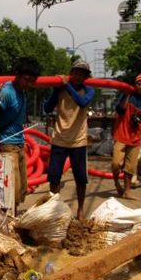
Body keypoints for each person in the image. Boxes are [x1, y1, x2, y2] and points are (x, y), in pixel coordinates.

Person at [0, 57, 41, 208]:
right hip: (7, 146)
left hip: (19, 144)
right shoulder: (7, 93)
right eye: (26, 79)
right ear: (17, 75)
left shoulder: (22, 93)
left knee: (20, 190)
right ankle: (9, 222)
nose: (28, 84)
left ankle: (12, 218)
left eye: (32, 81)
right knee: (11, 190)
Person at [43, 60, 95, 219]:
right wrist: (55, 90)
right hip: (60, 139)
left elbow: (82, 102)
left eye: (82, 74)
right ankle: (53, 209)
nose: (78, 76)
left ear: (86, 77)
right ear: (71, 73)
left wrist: (67, 86)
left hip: (78, 140)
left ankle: (80, 209)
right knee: (54, 177)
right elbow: (46, 108)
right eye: (75, 72)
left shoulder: (88, 90)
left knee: (80, 178)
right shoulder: (61, 90)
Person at [112, 74, 141, 200]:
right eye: (139, 83)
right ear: (135, 84)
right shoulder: (127, 96)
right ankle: (117, 183)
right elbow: (119, 110)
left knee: (130, 168)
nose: (140, 86)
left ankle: (127, 192)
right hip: (121, 135)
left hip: (134, 139)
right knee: (116, 164)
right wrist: (127, 94)